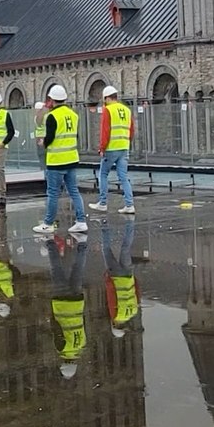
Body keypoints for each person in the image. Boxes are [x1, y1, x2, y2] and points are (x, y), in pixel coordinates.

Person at [33, 85, 88, 235]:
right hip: (71, 158)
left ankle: (48, 223)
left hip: (56, 161)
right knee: (74, 191)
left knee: (52, 193)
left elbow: (50, 138)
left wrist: (43, 142)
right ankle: (81, 221)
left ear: (51, 99)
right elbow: (74, 136)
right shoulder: (73, 114)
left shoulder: (52, 116)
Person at [46, 231, 88, 381]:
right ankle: (50, 243)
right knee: (56, 270)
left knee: (78, 270)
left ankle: (82, 245)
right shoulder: (61, 348)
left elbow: (83, 323)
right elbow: (56, 327)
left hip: (76, 302)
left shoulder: (82, 345)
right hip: (62, 302)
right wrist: (50, 316)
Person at [89, 85, 136, 215]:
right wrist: (127, 142)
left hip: (111, 148)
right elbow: (132, 130)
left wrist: (102, 148)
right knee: (123, 177)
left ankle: (103, 202)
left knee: (103, 174)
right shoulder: (126, 110)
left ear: (106, 98)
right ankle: (129, 204)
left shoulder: (108, 110)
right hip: (124, 147)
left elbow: (105, 131)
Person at [102, 218, 141, 339]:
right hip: (116, 277)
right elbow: (111, 296)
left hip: (128, 275)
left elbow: (137, 293)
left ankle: (130, 224)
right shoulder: (116, 315)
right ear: (113, 325)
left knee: (126, 248)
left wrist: (133, 278)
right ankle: (104, 224)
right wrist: (108, 279)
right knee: (106, 250)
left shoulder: (133, 312)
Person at [33, 101, 48, 177]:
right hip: (44, 138)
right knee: (46, 156)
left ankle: (43, 172)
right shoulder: (46, 117)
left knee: (41, 156)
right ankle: (46, 173)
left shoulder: (35, 118)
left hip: (38, 138)